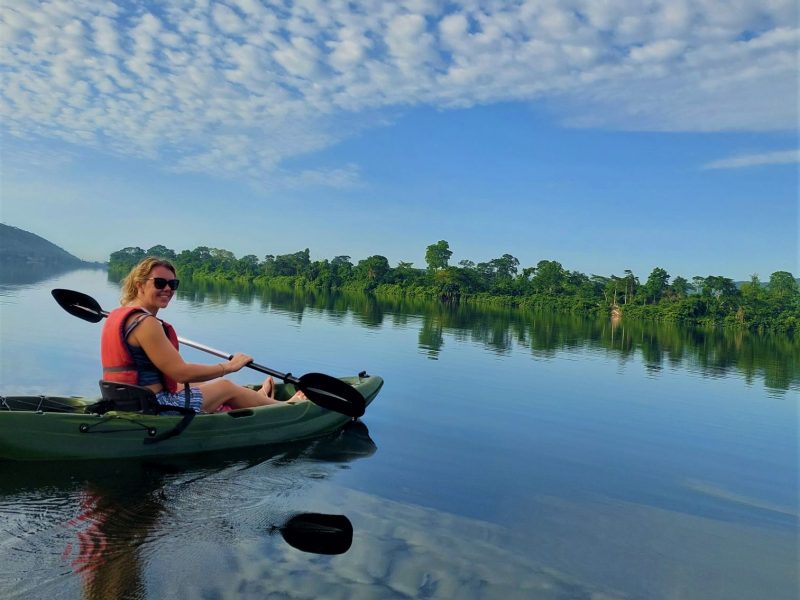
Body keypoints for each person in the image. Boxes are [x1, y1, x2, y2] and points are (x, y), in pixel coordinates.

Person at [101, 256, 305, 413]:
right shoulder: (146, 323)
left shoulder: (118, 315)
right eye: (160, 283)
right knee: (224, 387)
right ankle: (286, 406)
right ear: (139, 284)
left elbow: (178, 379)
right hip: (156, 408)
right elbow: (181, 372)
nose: (167, 289)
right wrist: (229, 367)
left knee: (194, 385)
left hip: (127, 401)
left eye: (173, 284)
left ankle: (258, 398)